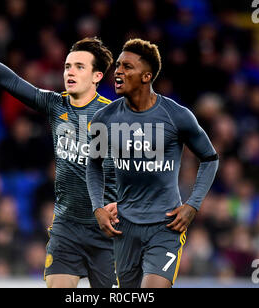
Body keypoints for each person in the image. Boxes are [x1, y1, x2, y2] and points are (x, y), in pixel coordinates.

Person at [0, 24, 118, 288]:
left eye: (79, 67)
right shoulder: (56, 105)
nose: (70, 72)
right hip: (66, 227)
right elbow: (13, 82)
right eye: (67, 66)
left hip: (105, 231)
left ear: (97, 76)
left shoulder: (114, 117)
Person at [86, 39, 219, 288]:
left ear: (146, 76)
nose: (118, 71)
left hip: (165, 226)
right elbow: (93, 166)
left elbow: (210, 158)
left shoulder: (176, 115)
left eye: (127, 66)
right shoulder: (104, 119)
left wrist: (192, 205)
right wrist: (97, 208)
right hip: (124, 228)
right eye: (117, 65)